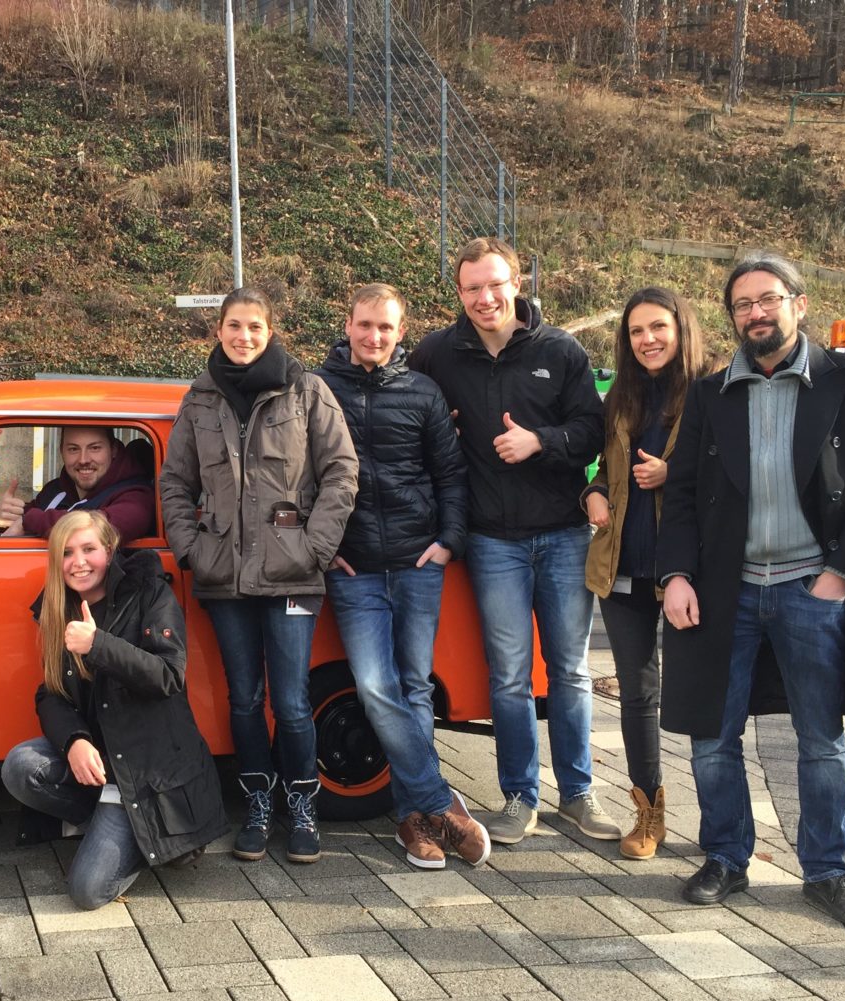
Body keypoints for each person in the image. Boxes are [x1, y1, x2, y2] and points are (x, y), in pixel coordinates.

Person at [659, 252, 845, 928]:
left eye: (767, 299)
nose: (755, 313)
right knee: (711, 737)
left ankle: (825, 872)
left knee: (820, 742)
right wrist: (675, 574)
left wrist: (839, 575)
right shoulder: (711, 394)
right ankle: (726, 860)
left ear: (797, 303)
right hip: (723, 592)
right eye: (741, 305)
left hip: (810, 588)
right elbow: (678, 494)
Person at [409, 238, 616, 846]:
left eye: (494, 284)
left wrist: (539, 442)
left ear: (516, 284)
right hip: (492, 541)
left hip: (563, 535)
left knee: (572, 671)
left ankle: (578, 795)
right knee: (508, 676)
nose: (484, 297)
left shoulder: (560, 351)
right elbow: (399, 399)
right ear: (459, 293)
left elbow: (593, 432)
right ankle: (520, 797)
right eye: (471, 287)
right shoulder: (437, 355)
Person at [161, 288, 358, 863]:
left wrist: (315, 548)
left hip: (293, 576)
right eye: (233, 326)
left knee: (293, 703)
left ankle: (302, 807)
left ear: (270, 331)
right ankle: (257, 803)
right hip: (224, 577)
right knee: (244, 700)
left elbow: (342, 472)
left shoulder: (306, 391)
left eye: (253, 326)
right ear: (217, 331)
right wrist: (190, 548)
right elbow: (175, 481)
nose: (242, 336)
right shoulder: (199, 399)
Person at [316, 284, 490, 870]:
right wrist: (326, 547)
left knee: (416, 686)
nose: (374, 337)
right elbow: (298, 476)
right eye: (365, 325)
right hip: (354, 568)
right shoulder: (318, 391)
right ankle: (441, 802)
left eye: (386, 328)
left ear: (400, 330)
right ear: (348, 324)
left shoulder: (422, 392)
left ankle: (415, 822)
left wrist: (449, 541)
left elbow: (451, 473)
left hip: (418, 564)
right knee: (374, 686)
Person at [1, 511, 229, 909]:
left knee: (88, 892)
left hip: (147, 768)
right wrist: (75, 741)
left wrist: (99, 645)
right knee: (20, 766)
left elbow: (168, 676)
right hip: (105, 764)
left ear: (109, 549)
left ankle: (148, 834)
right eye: (68, 553)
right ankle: (112, 826)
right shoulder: (58, 607)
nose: (79, 562)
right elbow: (51, 694)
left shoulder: (150, 592)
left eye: (89, 549)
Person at [582, 288, 710, 859]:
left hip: (691, 569)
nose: (648, 339)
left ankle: (722, 819)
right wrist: (591, 493)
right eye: (636, 331)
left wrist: (674, 472)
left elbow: (736, 476)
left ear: (681, 329)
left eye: (658, 327)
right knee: (638, 692)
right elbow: (592, 463)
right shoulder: (618, 397)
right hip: (623, 563)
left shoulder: (713, 390)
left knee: (705, 692)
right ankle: (648, 814)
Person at [0, 425, 154, 541]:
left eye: (95, 448)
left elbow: (99, 528)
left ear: (113, 450)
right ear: (61, 451)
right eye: (73, 449)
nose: (83, 459)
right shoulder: (55, 490)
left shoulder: (138, 496)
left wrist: (28, 521)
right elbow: (6, 530)